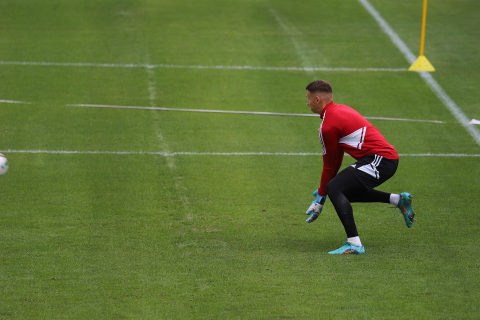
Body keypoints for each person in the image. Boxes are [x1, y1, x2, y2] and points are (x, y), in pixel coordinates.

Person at [304, 80, 416, 255]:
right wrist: (323, 192)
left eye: (308, 98)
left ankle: (355, 244)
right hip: (381, 159)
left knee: (334, 188)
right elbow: (336, 159)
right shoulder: (340, 110)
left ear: (318, 99)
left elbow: (329, 165)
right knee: (339, 190)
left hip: (381, 159)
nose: (307, 103)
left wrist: (321, 197)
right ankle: (397, 200)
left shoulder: (328, 126)